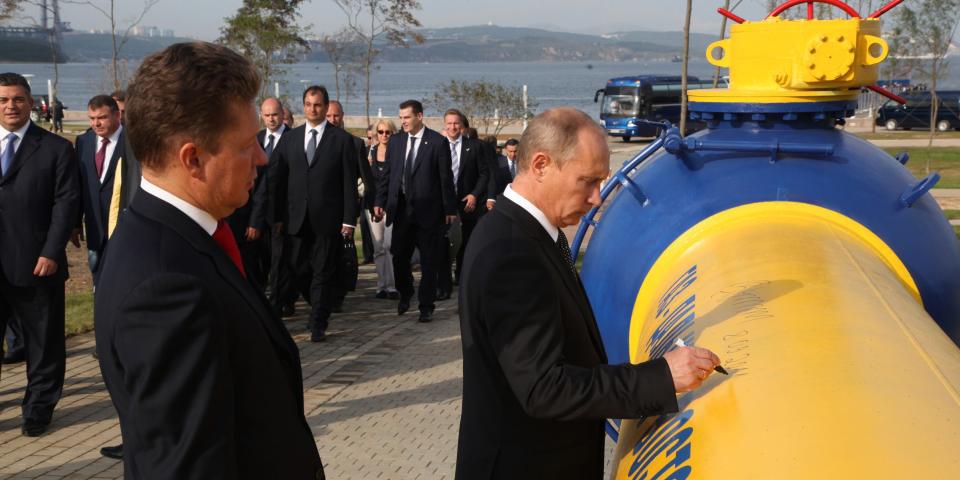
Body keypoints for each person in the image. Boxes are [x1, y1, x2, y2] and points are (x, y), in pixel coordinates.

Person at [94, 42, 323, 478]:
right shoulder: (166, 290)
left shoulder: (182, 237)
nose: (262, 156)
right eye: (245, 145)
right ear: (193, 159)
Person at [455, 108, 721, 479]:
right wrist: (660, 377)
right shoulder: (512, 252)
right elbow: (543, 388)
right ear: (541, 165)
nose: (597, 198)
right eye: (587, 181)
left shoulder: (521, 233)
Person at [0, 72, 80, 437]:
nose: (10, 106)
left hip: (37, 263)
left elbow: (66, 204)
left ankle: (38, 407)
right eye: (3, 100)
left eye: (17, 99)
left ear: (31, 103)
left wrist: (52, 250)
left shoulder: (55, 149)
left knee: (43, 342)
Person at [270, 85, 359, 342]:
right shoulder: (291, 139)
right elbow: (277, 179)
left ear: (325, 105)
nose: (313, 109)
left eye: (317, 104)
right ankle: (319, 302)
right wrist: (276, 217)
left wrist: (348, 220)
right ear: (303, 106)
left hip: (327, 220)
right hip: (295, 220)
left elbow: (348, 184)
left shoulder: (341, 141)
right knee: (297, 269)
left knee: (323, 270)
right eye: (308, 104)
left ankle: (318, 322)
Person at [372, 100, 457, 323]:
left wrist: (449, 208)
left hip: (429, 213)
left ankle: (426, 305)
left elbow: (445, 178)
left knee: (429, 262)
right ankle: (406, 292)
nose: (403, 122)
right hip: (400, 211)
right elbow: (387, 175)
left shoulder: (437, 142)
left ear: (419, 116)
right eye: (401, 118)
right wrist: (380, 200)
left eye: (407, 117)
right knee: (399, 257)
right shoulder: (397, 141)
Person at [225, 97, 286, 291]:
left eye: (274, 115)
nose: (271, 119)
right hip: (254, 216)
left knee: (280, 263)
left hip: (281, 215)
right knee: (258, 264)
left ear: (282, 114)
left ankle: (281, 301)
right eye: (267, 115)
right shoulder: (255, 140)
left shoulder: (293, 139)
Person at [326, 100, 376, 304]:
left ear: (342, 116)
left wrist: (366, 205)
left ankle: (338, 293)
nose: (332, 120)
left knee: (340, 253)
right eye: (329, 116)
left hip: (344, 208)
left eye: (335, 115)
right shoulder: (312, 141)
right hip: (320, 208)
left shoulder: (355, 143)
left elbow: (366, 178)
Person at [437, 109, 490, 298]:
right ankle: (443, 286)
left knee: (467, 243)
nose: (452, 127)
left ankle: (463, 278)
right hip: (443, 204)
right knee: (442, 244)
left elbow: (484, 173)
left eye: (456, 123)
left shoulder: (474, 146)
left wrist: (475, 195)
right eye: (449, 123)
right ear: (444, 125)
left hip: (468, 203)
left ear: (462, 125)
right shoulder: (437, 145)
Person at [75, 95, 127, 284]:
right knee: (99, 284)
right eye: (92, 118)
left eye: (102, 118)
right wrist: (75, 223)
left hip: (125, 228)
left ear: (117, 115)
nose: (96, 123)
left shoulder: (133, 142)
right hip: (95, 228)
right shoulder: (83, 141)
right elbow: (80, 184)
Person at [367, 119, 399, 300]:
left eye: (388, 132)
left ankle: (393, 286)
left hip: (392, 205)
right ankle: (382, 286)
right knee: (379, 247)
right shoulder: (369, 152)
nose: (384, 135)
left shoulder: (397, 153)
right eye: (380, 132)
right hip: (372, 206)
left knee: (390, 245)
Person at [486, 138, 519, 210]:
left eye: (515, 151)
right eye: (510, 151)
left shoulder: (524, 163)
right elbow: (493, 180)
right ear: (506, 150)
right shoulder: (497, 163)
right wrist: (491, 198)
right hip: (503, 199)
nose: (513, 154)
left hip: (520, 200)